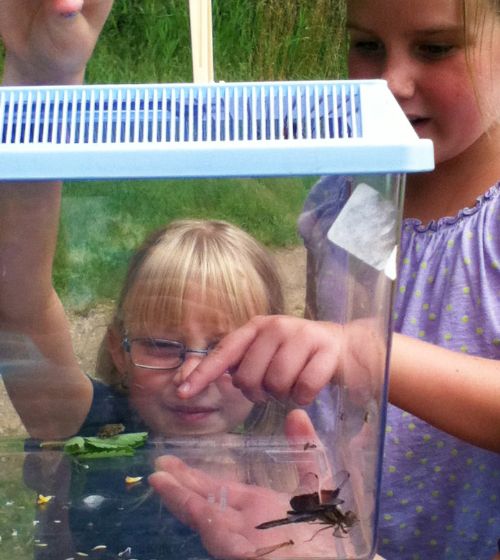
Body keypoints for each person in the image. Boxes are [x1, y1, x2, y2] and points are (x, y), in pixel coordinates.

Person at [151, 1, 500, 559]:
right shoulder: (350, 199)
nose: (391, 82)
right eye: (365, 45)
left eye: (436, 48)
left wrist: (367, 352)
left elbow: (353, 347)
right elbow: (332, 380)